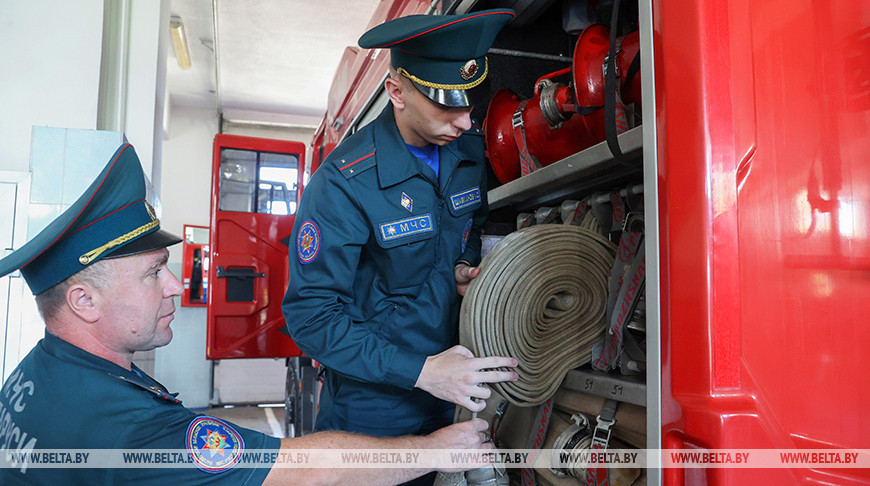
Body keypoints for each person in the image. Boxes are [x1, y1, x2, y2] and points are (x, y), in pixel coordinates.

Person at [0, 144, 492, 485]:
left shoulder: (35, 375)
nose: (176, 284)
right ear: (84, 301)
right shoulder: (123, 426)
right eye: (153, 274)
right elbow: (310, 471)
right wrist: (436, 451)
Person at [281, 8, 519, 444]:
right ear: (396, 91)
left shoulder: (467, 153)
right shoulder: (343, 182)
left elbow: (473, 224)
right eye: (447, 105)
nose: (465, 121)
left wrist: (462, 268)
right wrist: (423, 372)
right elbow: (311, 316)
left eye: (470, 102)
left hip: (459, 384)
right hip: (375, 402)